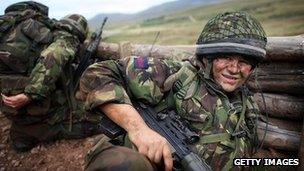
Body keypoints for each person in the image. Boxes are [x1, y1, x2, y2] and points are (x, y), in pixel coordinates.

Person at [78, 11, 266, 171]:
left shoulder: (246, 104)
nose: (234, 69)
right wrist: (139, 130)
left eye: (244, 62)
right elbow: (97, 74)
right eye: (225, 57)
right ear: (208, 58)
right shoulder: (176, 75)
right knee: (125, 164)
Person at [0, 1, 101, 152]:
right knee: (101, 119)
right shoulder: (57, 34)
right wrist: (31, 94)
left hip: (15, 115)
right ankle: (40, 130)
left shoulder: (9, 28)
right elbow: (56, 54)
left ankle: (22, 135)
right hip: (44, 113)